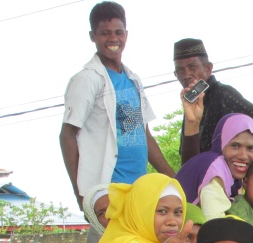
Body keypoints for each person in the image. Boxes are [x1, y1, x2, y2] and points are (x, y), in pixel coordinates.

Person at [60, 1, 174, 210]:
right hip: (107, 192)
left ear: (126, 34)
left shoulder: (133, 80)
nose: (113, 38)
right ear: (93, 36)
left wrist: (174, 179)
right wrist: (81, 194)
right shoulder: (87, 79)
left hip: (138, 190)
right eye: (105, 33)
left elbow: (145, 135)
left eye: (118, 32)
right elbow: (67, 135)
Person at [173, 38, 253, 166]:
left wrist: (248, 163)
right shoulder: (192, 102)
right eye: (180, 70)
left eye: (192, 67)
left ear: (208, 68)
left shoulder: (223, 93)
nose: (186, 75)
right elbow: (188, 161)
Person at [175, 114, 253, 221]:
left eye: (251, 148)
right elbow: (214, 222)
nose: (243, 156)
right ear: (221, 143)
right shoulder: (214, 169)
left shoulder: (226, 172)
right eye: (235, 145)